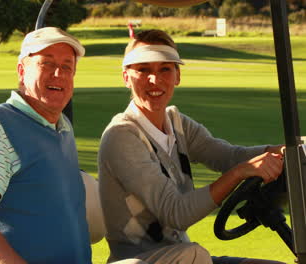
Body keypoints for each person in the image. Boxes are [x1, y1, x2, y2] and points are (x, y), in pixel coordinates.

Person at [0, 27, 145, 264]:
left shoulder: (61, 127)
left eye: (67, 66)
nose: (59, 73)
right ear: (21, 71)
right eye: (46, 63)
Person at [98, 29, 285, 264]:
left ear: (177, 76)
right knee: (194, 254)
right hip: (138, 259)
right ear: (126, 77)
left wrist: (286, 150)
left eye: (164, 69)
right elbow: (177, 213)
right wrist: (240, 173)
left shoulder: (177, 123)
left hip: (182, 255)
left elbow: (228, 156)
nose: (154, 80)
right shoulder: (122, 136)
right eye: (143, 70)